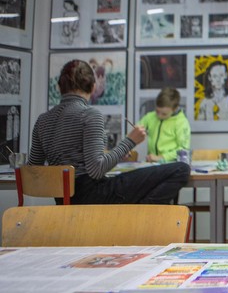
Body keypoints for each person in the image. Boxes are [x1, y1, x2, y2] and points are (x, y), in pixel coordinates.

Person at [29, 60, 190, 204]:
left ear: (59, 87)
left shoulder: (42, 120)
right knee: (181, 169)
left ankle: (140, 213)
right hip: (92, 196)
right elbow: (97, 170)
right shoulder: (90, 115)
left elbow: (34, 171)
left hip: (63, 199)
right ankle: (141, 215)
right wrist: (130, 142)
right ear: (93, 87)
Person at [137, 87, 191, 163]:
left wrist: (161, 157)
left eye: (164, 114)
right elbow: (136, 131)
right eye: (157, 111)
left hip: (171, 165)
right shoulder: (150, 116)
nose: (159, 116)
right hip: (152, 164)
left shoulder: (181, 122)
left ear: (175, 109)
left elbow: (183, 149)